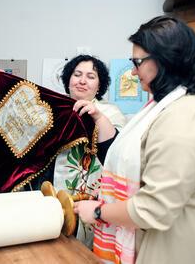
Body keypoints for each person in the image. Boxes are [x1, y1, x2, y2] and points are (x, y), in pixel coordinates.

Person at [73, 16, 195, 264]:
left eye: (138, 62)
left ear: (165, 60)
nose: (133, 71)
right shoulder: (163, 106)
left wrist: (100, 211)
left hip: (171, 246)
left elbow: (154, 207)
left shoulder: (187, 115)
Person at [41, 55, 126, 247]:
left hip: (86, 201)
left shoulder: (109, 113)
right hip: (49, 195)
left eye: (90, 76)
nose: (82, 80)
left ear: (99, 85)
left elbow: (115, 155)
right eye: (77, 74)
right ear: (68, 80)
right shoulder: (51, 110)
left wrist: (97, 117)